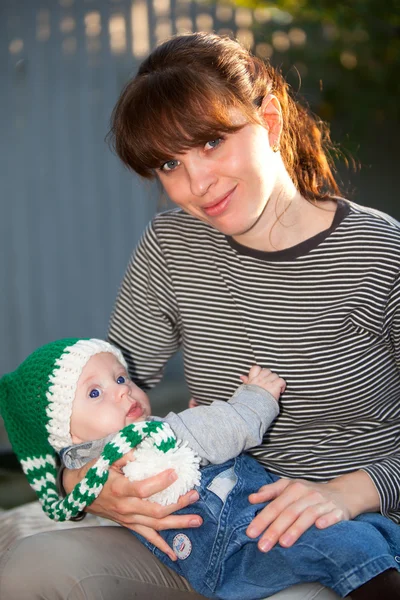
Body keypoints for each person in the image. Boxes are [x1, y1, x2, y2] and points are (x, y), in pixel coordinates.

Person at [1, 31, 399, 600]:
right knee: (32, 566)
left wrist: (354, 491)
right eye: (169, 162)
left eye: (211, 142)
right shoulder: (172, 244)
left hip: (344, 538)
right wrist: (84, 483)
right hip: (197, 531)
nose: (196, 184)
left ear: (270, 120)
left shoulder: (379, 253)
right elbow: (92, 389)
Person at [1, 337, 399, 600]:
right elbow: (235, 425)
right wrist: (258, 395)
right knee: (349, 546)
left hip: (210, 554)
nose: (122, 388)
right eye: (94, 392)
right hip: (243, 544)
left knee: (368, 531)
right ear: (70, 442)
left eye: (121, 377)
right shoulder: (159, 436)